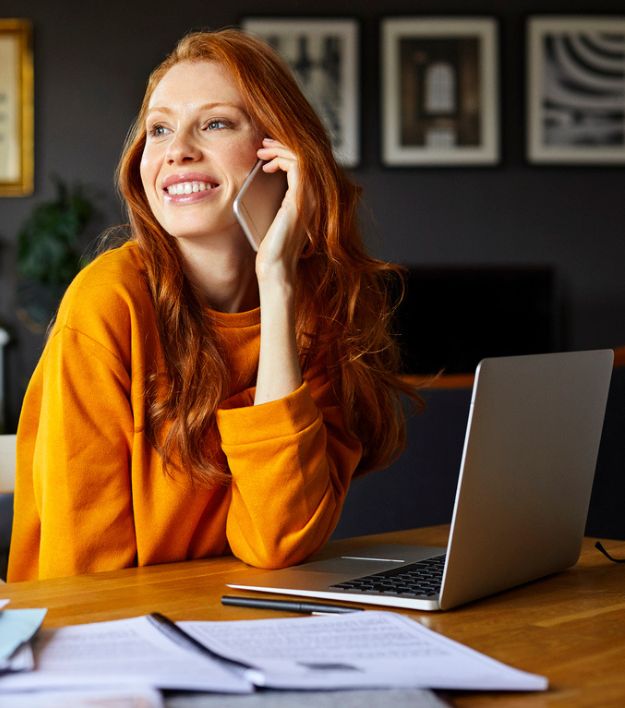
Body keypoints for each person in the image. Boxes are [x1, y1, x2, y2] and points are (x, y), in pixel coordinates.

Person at [8, 29, 418, 581]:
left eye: (216, 123)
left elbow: (277, 539)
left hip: (236, 631)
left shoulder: (311, 312)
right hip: (111, 645)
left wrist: (276, 282)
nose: (177, 149)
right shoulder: (107, 303)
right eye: (160, 128)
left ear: (280, 154)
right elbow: (81, 574)